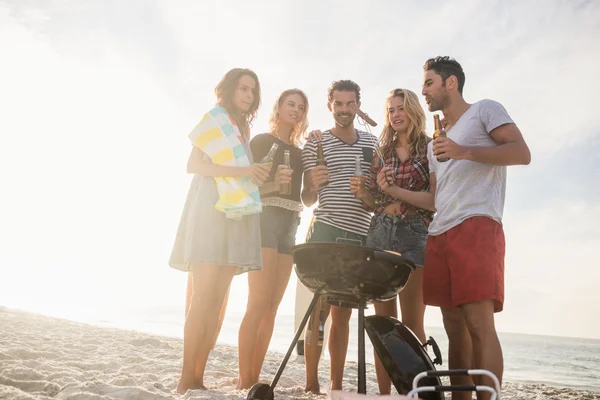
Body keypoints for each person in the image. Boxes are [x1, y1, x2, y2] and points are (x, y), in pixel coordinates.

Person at [421, 56, 531, 399]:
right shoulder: (432, 143)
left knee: (480, 325)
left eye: (429, 83)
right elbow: (436, 196)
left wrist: (463, 150)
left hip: (477, 223)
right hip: (440, 233)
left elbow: (521, 152)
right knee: (454, 329)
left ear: (450, 83)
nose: (423, 91)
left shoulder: (484, 110)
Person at [168, 68, 270, 394]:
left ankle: (199, 375)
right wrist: (244, 171)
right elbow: (194, 165)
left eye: (252, 91)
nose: (248, 95)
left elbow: (243, 175)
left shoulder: (243, 128)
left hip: (236, 214)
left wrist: (258, 176)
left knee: (216, 301)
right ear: (229, 90)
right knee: (202, 298)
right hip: (210, 209)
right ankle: (186, 378)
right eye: (243, 88)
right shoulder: (215, 119)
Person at [349, 88, 435, 395]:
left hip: (415, 232)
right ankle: (385, 393)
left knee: (413, 323)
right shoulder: (381, 151)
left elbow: (436, 199)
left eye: (400, 108)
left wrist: (397, 195)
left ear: (412, 110)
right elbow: (372, 201)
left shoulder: (430, 147)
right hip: (381, 232)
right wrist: (364, 193)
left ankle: (417, 392)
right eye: (390, 110)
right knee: (383, 324)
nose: (395, 115)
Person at [301, 80, 377, 394]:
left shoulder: (372, 144)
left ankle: (335, 384)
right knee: (318, 312)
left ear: (358, 105)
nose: (344, 110)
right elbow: (306, 198)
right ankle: (311, 383)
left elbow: (376, 202)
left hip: (359, 234)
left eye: (350, 104)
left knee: (342, 314)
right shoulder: (315, 143)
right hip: (325, 231)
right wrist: (313, 185)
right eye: (339, 104)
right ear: (330, 105)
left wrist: (366, 195)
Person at [237, 89, 309, 389]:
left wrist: (315, 186)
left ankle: (255, 377)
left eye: (301, 107)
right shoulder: (262, 141)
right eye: (290, 104)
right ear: (278, 107)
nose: (295, 110)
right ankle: (245, 380)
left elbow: (305, 197)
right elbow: (243, 185)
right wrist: (271, 183)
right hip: (264, 221)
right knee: (257, 303)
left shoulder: (303, 153)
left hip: (291, 225)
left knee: (272, 308)